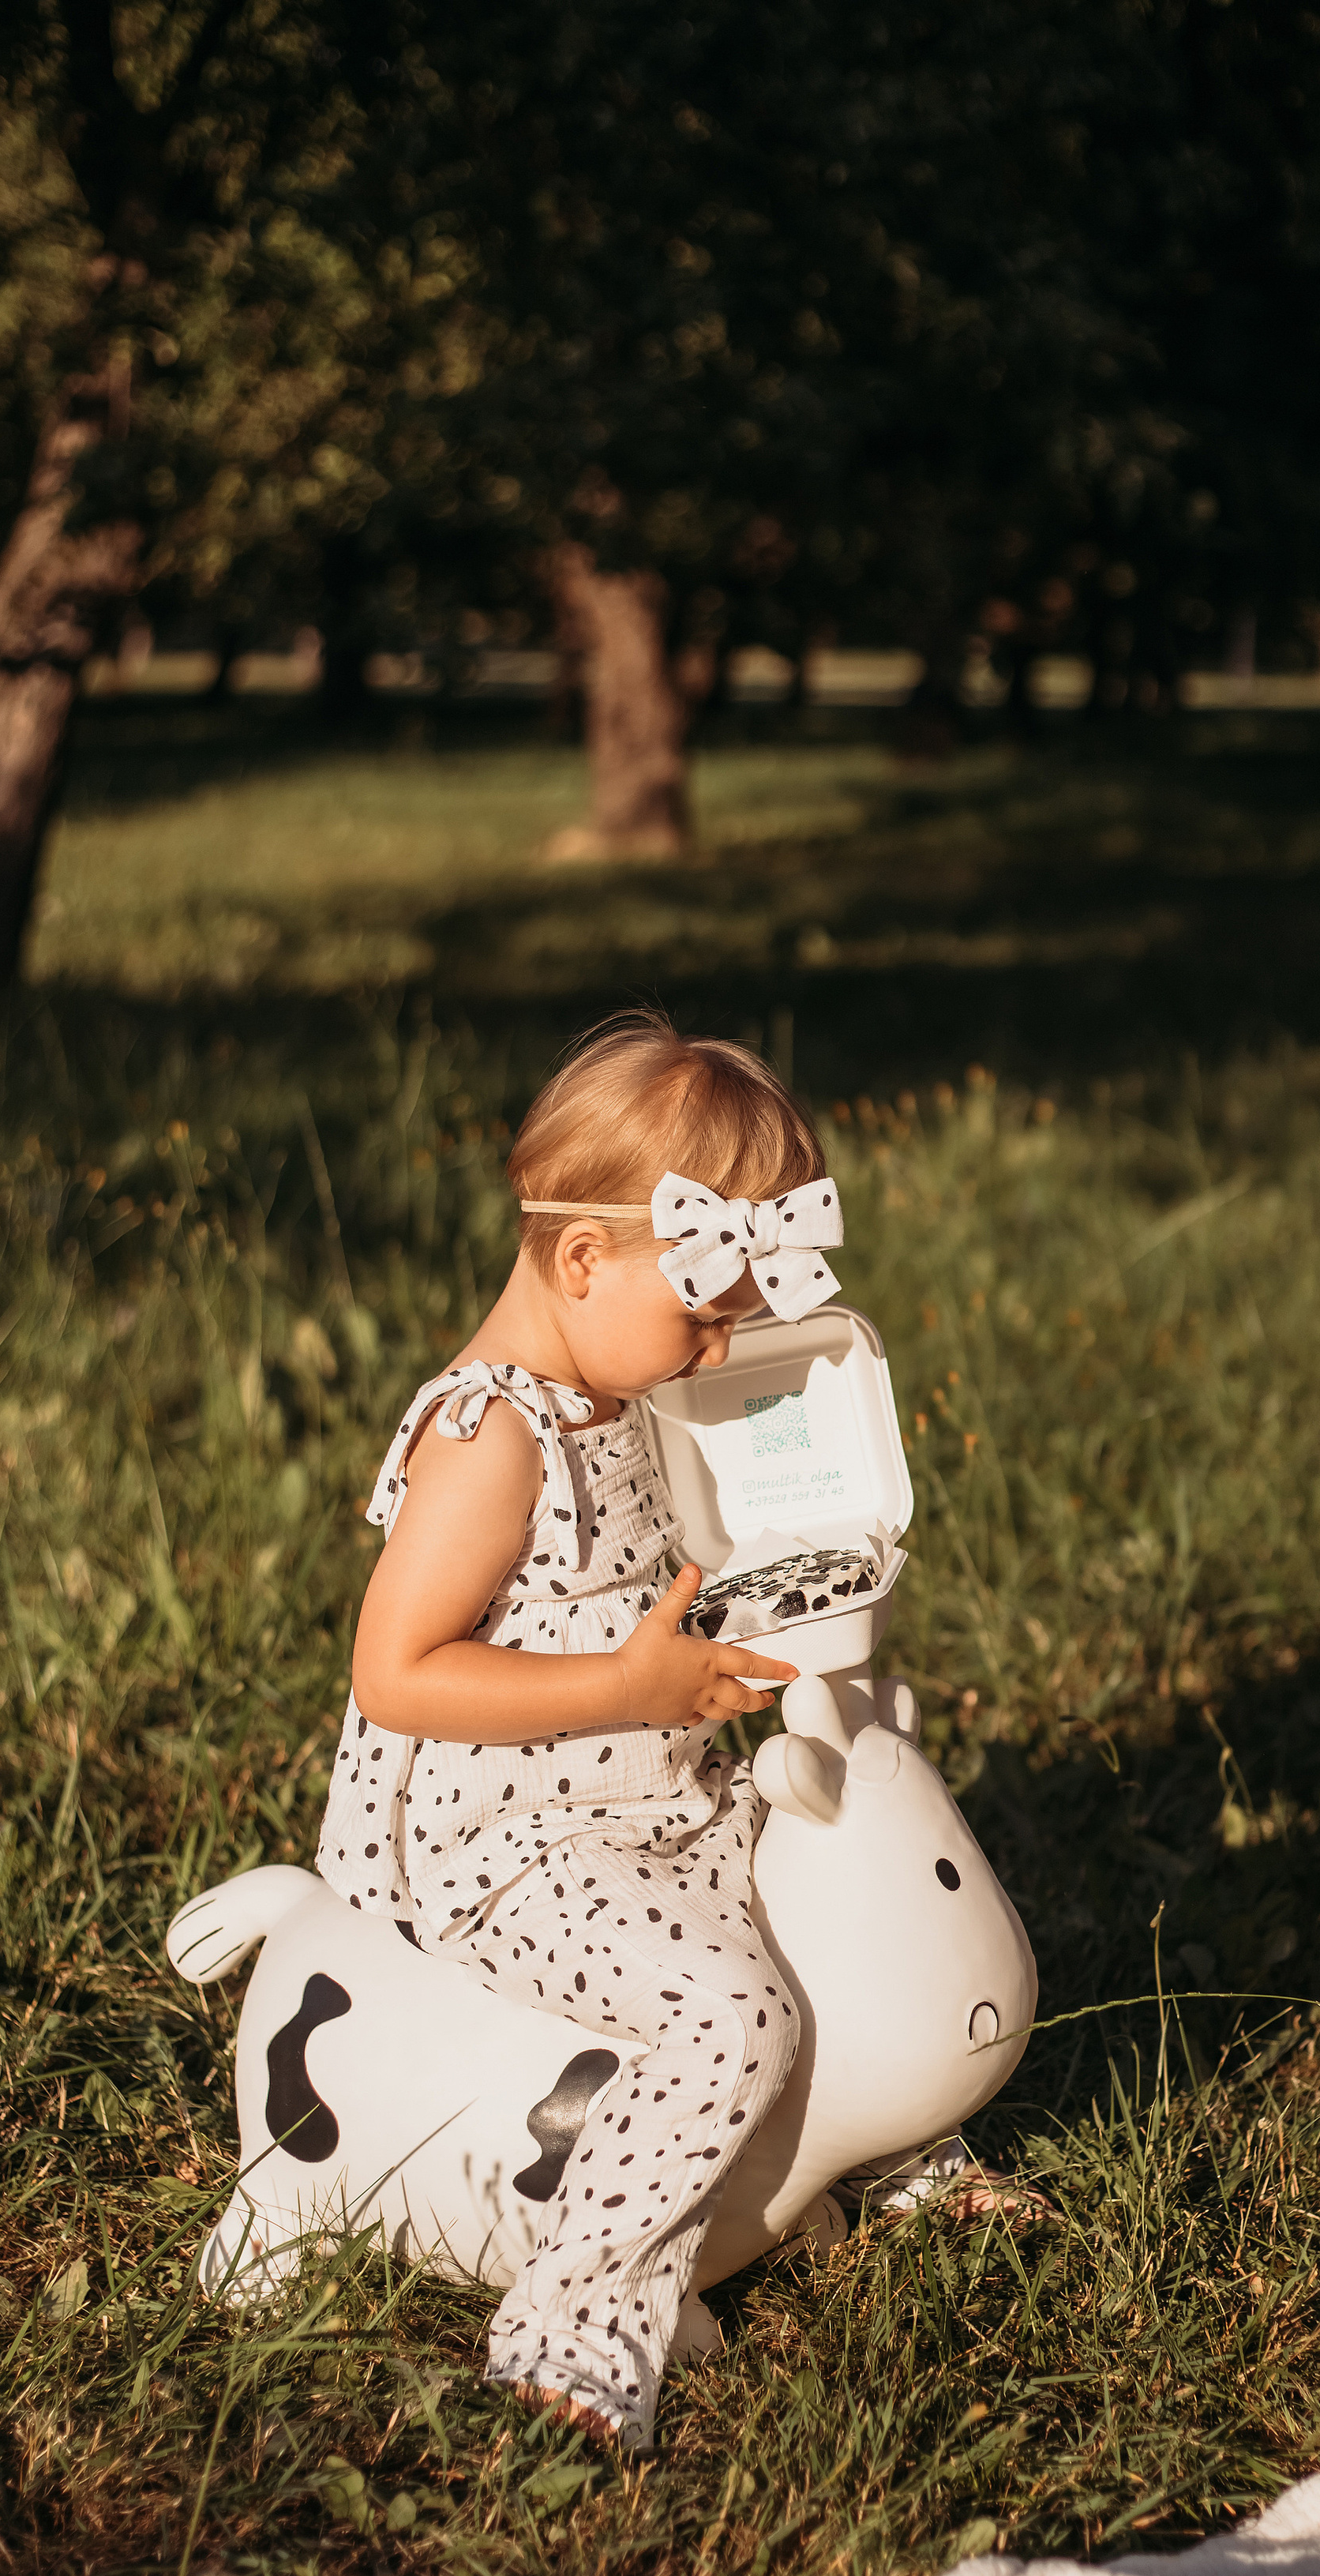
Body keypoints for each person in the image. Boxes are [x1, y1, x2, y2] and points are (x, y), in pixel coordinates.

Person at [316, 1012, 845, 2452]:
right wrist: (627, 1688)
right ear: (585, 1258)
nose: (724, 1339)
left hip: (644, 1788)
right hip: (502, 1841)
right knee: (733, 2008)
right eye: (706, 1310)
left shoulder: (626, 1385)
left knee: (837, 1876)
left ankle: (895, 2130)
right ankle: (577, 2317)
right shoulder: (492, 1438)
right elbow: (397, 1672)